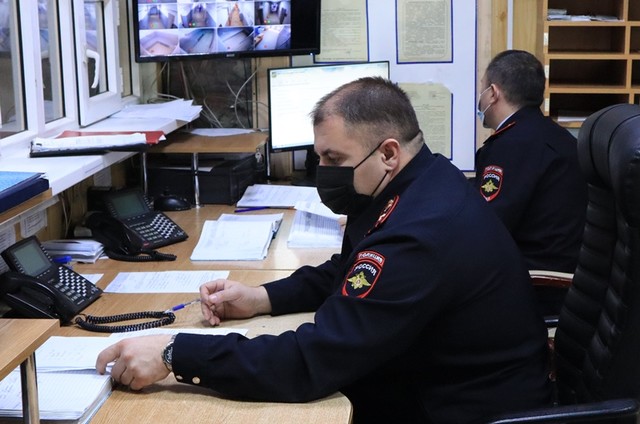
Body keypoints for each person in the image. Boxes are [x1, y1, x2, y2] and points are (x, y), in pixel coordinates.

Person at [96, 77, 551, 423]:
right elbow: (349, 269)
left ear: (388, 153)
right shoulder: (420, 182)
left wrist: (174, 353)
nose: (323, 170)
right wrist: (263, 297)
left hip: (460, 408)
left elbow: (310, 362)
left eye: (334, 159)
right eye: (320, 157)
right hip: (430, 378)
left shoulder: (420, 233)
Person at [474, 50, 588, 276]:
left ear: (493, 93)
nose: (480, 97)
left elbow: (488, 227)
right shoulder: (553, 135)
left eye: (482, 89)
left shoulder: (510, 146)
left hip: (535, 278)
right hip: (564, 268)